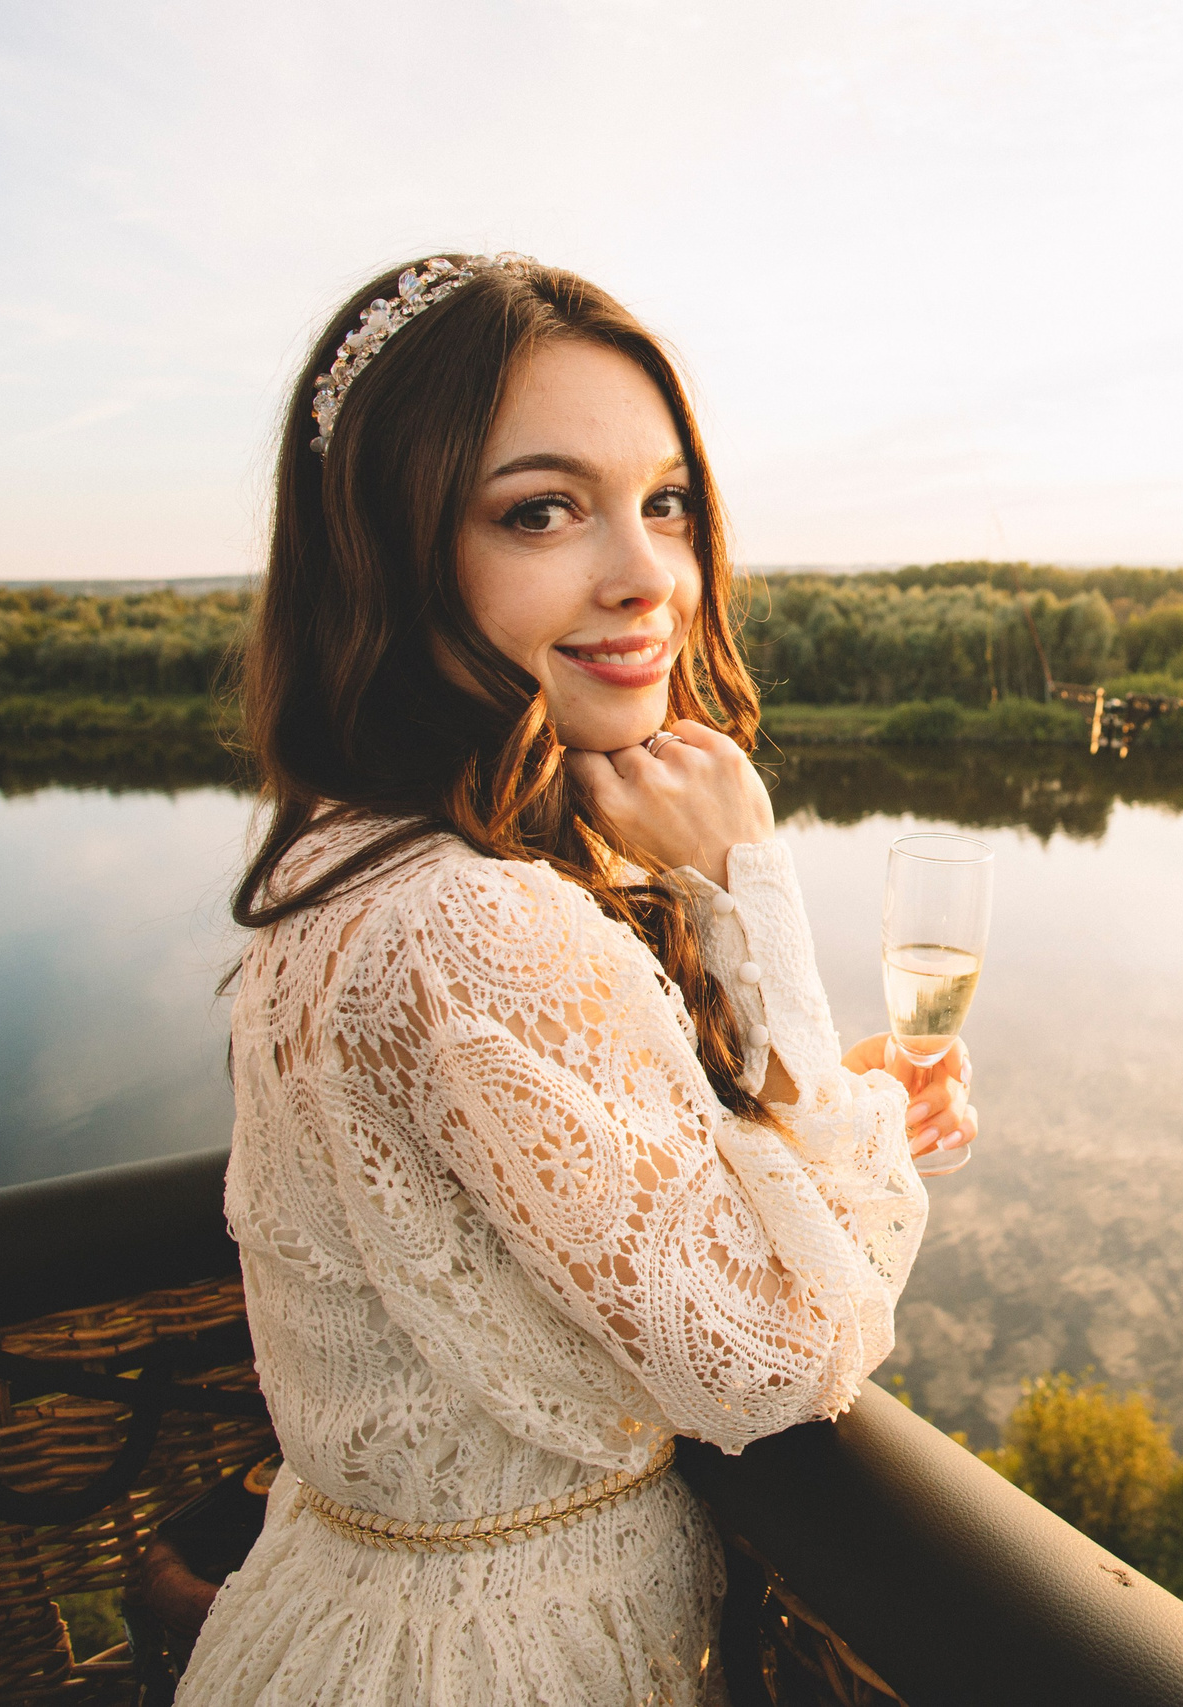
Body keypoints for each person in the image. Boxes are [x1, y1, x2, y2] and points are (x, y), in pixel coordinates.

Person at [177, 254, 972, 1704]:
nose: (647, 577)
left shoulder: (347, 864)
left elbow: (534, 1209)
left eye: (664, 501)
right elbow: (793, 1353)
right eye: (542, 510)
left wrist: (814, 1112)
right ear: (389, 549)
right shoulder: (469, 926)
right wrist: (750, 899)